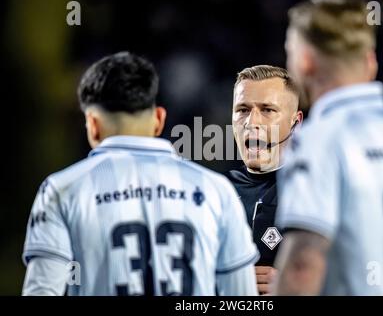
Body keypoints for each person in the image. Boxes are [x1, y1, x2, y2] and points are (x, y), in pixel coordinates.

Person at [22, 52, 259, 296]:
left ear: (92, 124)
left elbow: (41, 291)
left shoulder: (62, 190)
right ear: (159, 119)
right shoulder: (216, 189)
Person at [274, 0, 383, 295]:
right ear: (371, 60)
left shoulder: (319, 137)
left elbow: (304, 263)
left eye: (289, 52)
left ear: (305, 61)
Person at [227, 65, 303, 294]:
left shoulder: (313, 191)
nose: (252, 122)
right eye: (242, 110)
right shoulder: (215, 192)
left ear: (295, 123)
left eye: (268, 110)